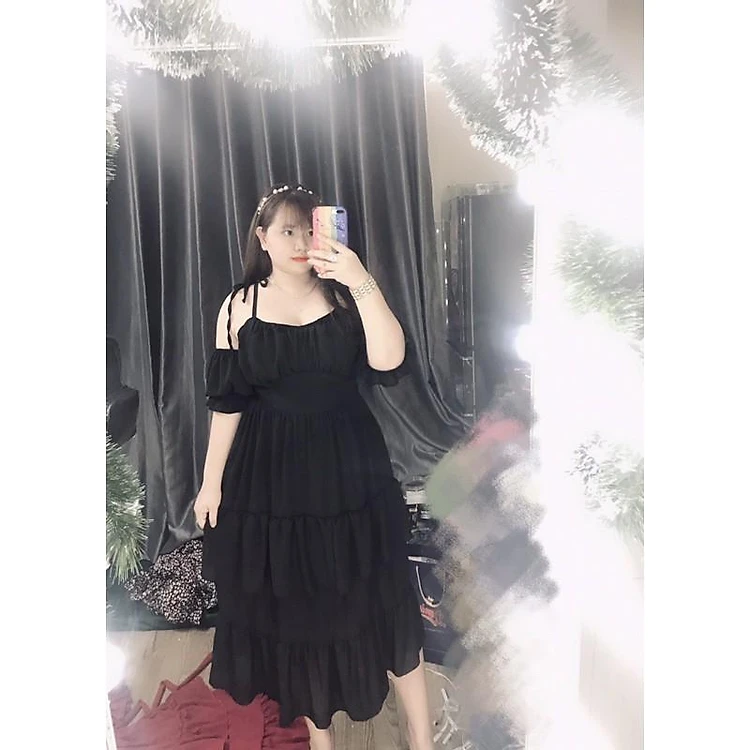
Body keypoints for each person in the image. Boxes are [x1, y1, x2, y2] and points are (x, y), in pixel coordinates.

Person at [194, 183, 434, 750]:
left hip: (349, 465)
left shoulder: (347, 295)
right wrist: (210, 483)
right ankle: (321, 741)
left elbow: (390, 359)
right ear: (263, 238)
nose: (300, 240)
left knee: (383, 595)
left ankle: (423, 740)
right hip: (270, 475)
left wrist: (360, 278)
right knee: (300, 607)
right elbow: (228, 402)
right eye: (287, 230)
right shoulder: (239, 306)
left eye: (310, 228)